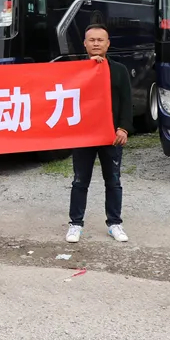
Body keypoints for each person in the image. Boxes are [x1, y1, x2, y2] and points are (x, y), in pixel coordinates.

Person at [66, 23, 132, 244]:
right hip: (83, 135)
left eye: (100, 40)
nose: (96, 43)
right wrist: (89, 70)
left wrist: (123, 128)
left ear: (107, 43)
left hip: (110, 135)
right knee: (79, 181)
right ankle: (75, 224)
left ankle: (115, 223)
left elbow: (126, 102)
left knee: (113, 181)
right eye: (91, 40)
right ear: (84, 44)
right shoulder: (74, 70)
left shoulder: (120, 70)